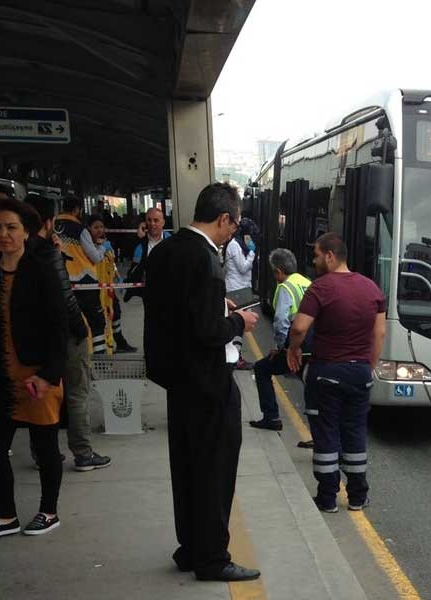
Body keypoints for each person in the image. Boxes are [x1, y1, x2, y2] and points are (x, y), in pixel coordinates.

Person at [144, 182, 260, 582]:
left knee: (187, 467)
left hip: (176, 381)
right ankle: (212, 557)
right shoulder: (206, 257)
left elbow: (174, 311)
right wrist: (237, 321)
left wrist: (215, 303)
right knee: (215, 468)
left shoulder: (165, 251)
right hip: (207, 382)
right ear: (224, 218)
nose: (235, 232)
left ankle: (191, 547)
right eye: (235, 223)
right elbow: (207, 331)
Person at [287, 233, 386, 513]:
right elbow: (379, 333)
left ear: (330, 255)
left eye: (317, 255)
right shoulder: (372, 288)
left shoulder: (321, 288)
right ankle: (357, 496)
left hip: (326, 371)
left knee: (326, 433)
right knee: (354, 432)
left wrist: (293, 349)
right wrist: (370, 365)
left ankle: (327, 497)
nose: (314, 260)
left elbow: (299, 328)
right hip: (360, 372)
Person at [0, 197, 68, 537]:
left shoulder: (41, 272)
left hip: (37, 377)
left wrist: (49, 375)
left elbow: (59, 328)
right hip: (3, 381)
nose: (4, 234)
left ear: (25, 233)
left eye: (11, 228)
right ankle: (6, 515)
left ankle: (49, 511)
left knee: (45, 448)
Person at [25, 195, 112, 471]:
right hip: (65, 335)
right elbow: (66, 298)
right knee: (76, 393)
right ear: (48, 222)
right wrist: (79, 330)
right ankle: (83, 453)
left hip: (34, 338)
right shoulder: (50, 253)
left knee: (41, 396)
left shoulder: (18, 253)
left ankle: (42, 454)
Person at [249, 248, 312, 431]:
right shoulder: (306, 282)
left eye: (274, 272)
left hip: (295, 346)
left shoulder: (285, 287)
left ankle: (271, 417)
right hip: (312, 345)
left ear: (279, 270)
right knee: (311, 383)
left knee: (261, 369)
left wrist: (282, 347)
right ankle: (319, 434)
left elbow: (281, 321)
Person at [55, 196, 107, 354]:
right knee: (96, 322)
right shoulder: (81, 229)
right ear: (78, 210)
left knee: (69, 324)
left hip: (62, 283)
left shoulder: (53, 226)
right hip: (85, 282)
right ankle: (100, 360)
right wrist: (103, 248)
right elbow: (96, 257)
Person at [85, 215, 136, 353]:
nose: (99, 230)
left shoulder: (107, 245)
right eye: (95, 227)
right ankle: (103, 350)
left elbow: (112, 265)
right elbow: (95, 261)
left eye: (101, 227)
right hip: (96, 289)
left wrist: (118, 280)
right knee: (101, 320)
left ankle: (119, 341)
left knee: (116, 313)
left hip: (109, 288)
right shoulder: (89, 248)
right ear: (89, 229)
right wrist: (101, 249)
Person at [224, 218, 258, 370]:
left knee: (240, 326)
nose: (250, 238)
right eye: (249, 235)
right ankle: (236, 357)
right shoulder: (234, 245)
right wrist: (252, 253)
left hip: (243, 288)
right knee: (238, 325)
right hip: (236, 290)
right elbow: (243, 267)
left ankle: (237, 355)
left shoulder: (239, 244)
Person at [125, 208, 169, 302]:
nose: (152, 223)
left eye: (156, 220)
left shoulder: (171, 241)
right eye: (149, 220)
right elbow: (134, 269)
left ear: (163, 223)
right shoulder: (140, 244)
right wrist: (138, 238)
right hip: (149, 293)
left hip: (168, 291)